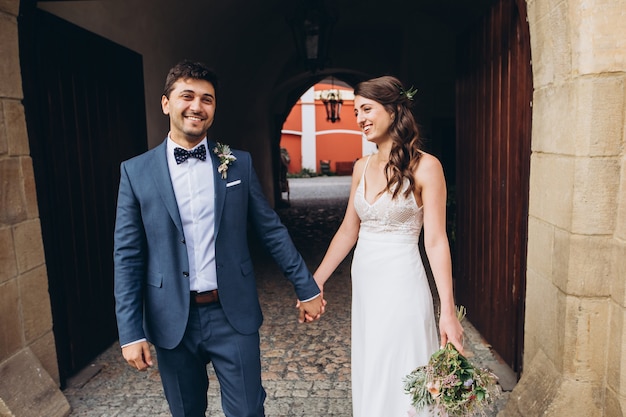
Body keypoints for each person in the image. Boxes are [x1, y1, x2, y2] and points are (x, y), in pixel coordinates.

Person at [113, 59, 325, 417]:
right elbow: (128, 255)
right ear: (166, 103)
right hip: (171, 320)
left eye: (207, 99)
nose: (197, 106)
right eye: (187, 96)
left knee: (247, 410)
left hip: (233, 314)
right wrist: (131, 332)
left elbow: (270, 228)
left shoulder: (236, 162)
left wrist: (306, 287)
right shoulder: (136, 172)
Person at [310, 76, 464, 416]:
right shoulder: (361, 167)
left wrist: (448, 312)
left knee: (403, 372)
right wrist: (315, 281)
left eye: (367, 109)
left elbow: (436, 241)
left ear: (394, 111)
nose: (360, 119)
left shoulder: (427, 166)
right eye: (355, 112)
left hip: (403, 286)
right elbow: (348, 231)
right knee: (374, 370)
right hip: (367, 289)